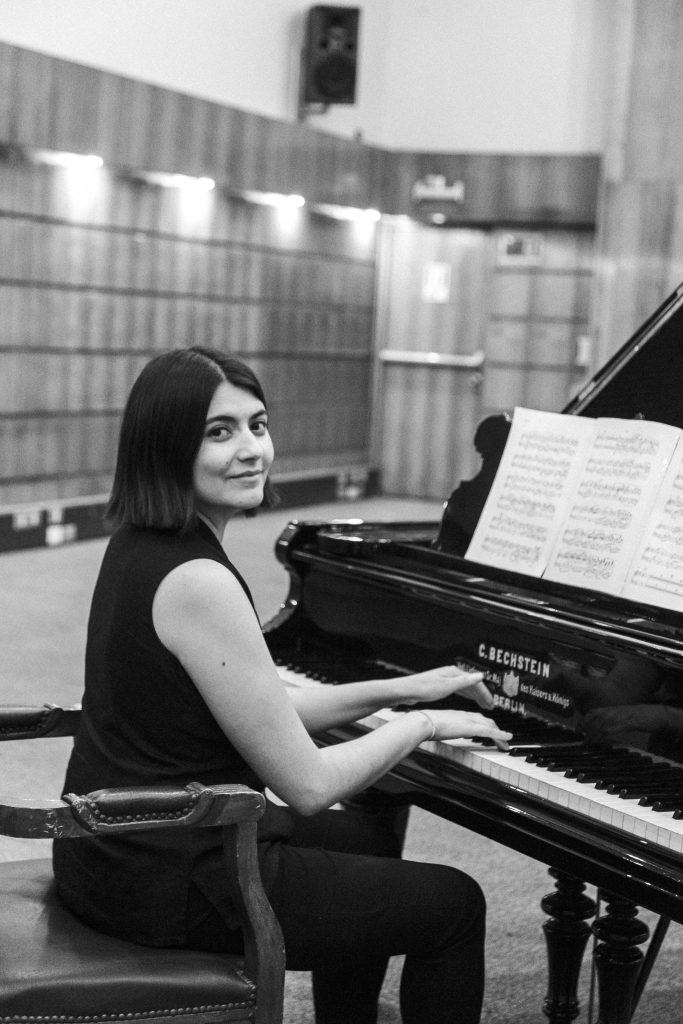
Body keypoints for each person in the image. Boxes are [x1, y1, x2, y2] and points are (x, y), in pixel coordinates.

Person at [52, 347, 512, 1024]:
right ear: (167, 445)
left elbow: (263, 708)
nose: (251, 450)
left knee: (364, 838)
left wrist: (405, 688)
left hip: (119, 849)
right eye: (219, 432)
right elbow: (309, 785)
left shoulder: (145, 544)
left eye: (258, 425)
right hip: (173, 876)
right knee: (454, 904)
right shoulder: (200, 581)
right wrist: (424, 724)